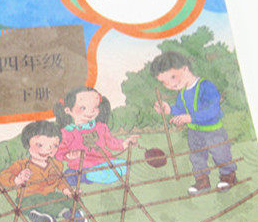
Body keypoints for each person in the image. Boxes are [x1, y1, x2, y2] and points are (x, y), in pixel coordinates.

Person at [151, 52, 237, 194]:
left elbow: (213, 109)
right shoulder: (182, 93)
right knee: (197, 157)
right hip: (194, 132)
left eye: (172, 77)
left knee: (220, 153)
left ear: (185, 69)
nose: (170, 84)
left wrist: (190, 117)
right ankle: (202, 181)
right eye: (164, 82)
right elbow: (180, 109)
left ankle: (228, 176)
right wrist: (169, 110)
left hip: (213, 130)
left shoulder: (206, 86)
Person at [0, 120, 87, 222]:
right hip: (28, 198)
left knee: (70, 199)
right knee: (39, 204)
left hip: (50, 195)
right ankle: (64, 214)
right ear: (27, 145)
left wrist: (66, 190)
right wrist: (17, 180)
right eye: (40, 145)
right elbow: (3, 177)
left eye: (54, 146)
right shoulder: (22, 165)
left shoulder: (56, 165)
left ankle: (73, 213)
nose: (48, 150)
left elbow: (59, 181)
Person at [54, 86, 138, 185]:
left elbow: (111, 142)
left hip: (105, 161)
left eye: (95, 107)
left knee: (124, 165)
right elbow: (59, 151)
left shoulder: (101, 127)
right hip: (84, 166)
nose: (91, 111)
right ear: (68, 110)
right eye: (83, 108)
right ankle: (85, 176)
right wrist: (69, 155)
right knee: (106, 174)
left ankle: (92, 175)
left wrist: (125, 143)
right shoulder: (67, 132)